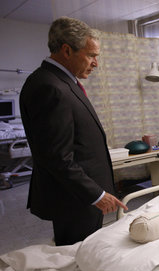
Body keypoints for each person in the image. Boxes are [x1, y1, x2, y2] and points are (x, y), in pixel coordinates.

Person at [20, 17, 127, 246]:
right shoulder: (48, 87)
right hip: (74, 198)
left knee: (89, 251)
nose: (95, 63)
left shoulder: (62, 82)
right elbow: (56, 157)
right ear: (67, 51)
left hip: (81, 195)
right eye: (91, 55)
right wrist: (96, 194)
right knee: (77, 258)